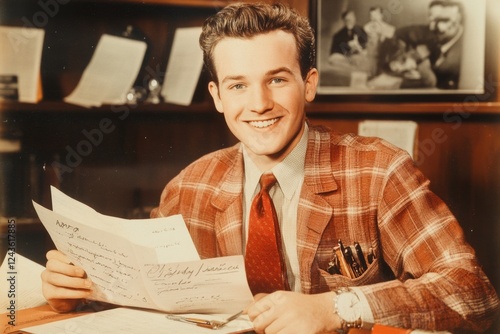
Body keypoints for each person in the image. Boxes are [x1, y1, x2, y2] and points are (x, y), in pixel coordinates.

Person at [41, 2, 498, 333]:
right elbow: (148, 296)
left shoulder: (380, 170)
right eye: (238, 86)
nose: (259, 104)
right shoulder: (191, 185)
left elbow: (471, 293)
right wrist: (77, 291)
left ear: (309, 84)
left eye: (277, 79)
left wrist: (335, 308)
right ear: (218, 97)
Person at [395, 0, 464, 89]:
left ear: (455, 22)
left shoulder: (460, 58)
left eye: (441, 20)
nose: (431, 27)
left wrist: (422, 68)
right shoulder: (439, 39)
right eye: (431, 19)